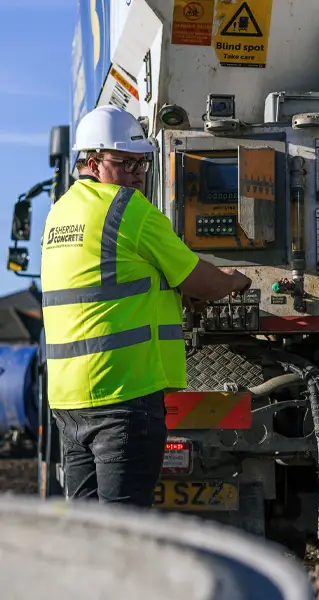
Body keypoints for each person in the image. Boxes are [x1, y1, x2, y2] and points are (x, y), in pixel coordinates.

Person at [40, 105, 251, 506]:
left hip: (70, 403)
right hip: (123, 398)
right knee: (124, 537)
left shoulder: (59, 214)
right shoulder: (127, 210)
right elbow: (200, 280)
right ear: (91, 160)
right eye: (125, 163)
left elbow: (107, 281)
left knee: (90, 533)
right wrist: (235, 281)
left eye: (142, 164)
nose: (137, 175)